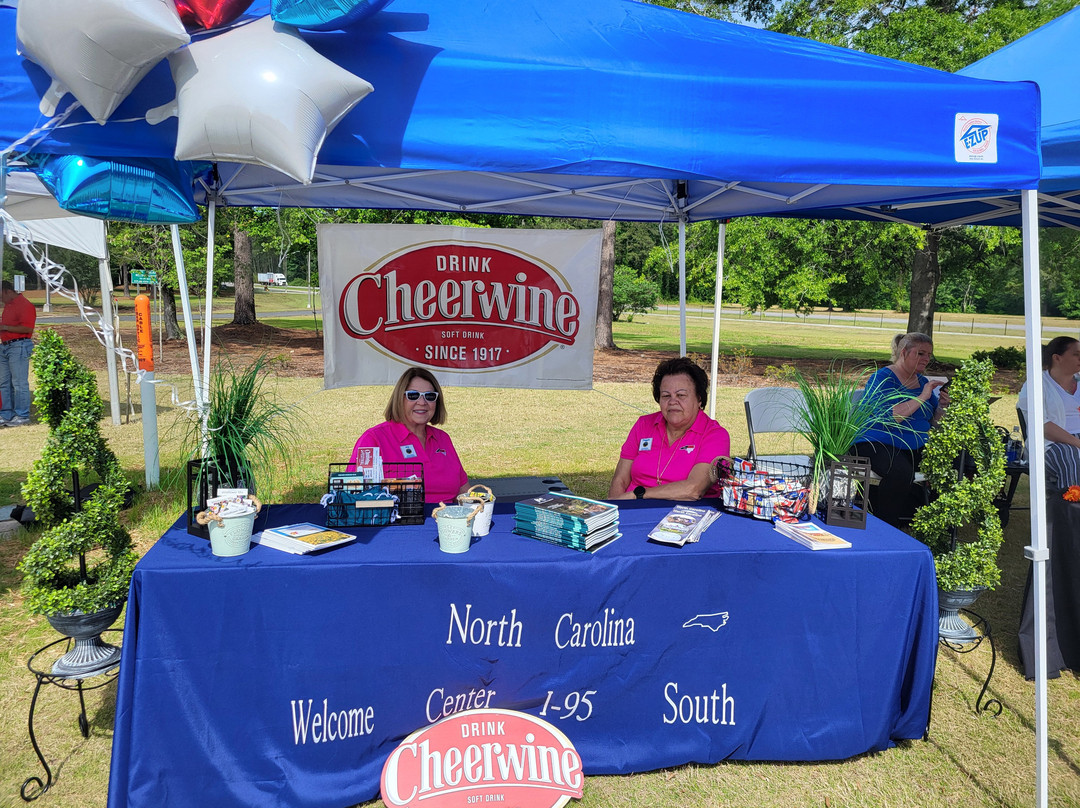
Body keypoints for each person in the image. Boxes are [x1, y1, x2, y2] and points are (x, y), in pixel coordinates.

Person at [849, 332, 949, 527]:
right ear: (904, 352)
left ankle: (932, 521)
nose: (926, 359)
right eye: (920, 353)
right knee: (901, 472)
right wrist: (922, 396)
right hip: (878, 441)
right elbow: (891, 416)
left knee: (952, 460)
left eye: (929, 355)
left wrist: (942, 407)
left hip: (914, 445)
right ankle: (887, 528)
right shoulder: (883, 378)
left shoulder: (921, 382)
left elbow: (933, 422)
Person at [608, 356, 730, 501]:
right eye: (666, 396)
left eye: (681, 395)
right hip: (634, 510)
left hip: (685, 515)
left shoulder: (715, 435)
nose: (673, 402)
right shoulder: (644, 425)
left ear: (699, 399)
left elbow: (693, 489)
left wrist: (639, 494)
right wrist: (615, 511)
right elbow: (620, 480)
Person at [349, 367, 468, 504]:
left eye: (429, 396)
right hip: (397, 523)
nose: (422, 402)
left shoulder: (443, 439)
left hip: (447, 521)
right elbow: (352, 497)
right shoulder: (373, 439)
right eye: (413, 395)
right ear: (400, 399)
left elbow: (464, 491)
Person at [1018, 336, 1080, 490]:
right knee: (1069, 455)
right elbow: (1041, 425)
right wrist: (1077, 443)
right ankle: (1070, 509)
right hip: (1051, 444)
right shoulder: (1036, 385)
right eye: (1076, 354)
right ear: (1057, 358)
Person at [0, 280, 37, 427]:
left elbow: (27, 329)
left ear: (8, 291)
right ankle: (6, 414)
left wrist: (5, 327)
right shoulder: (8, 305)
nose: (0, 299)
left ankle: (22, 415)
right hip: (5, 346)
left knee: (19, 382)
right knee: (4, 383)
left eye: (1, 295)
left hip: (19, 345)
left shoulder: (25, 305)